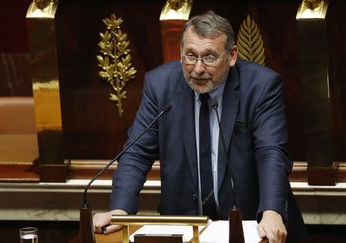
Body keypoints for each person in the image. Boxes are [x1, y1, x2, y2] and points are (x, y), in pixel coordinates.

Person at [93, 11, 305, 243]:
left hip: (251, 226)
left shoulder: (261, 86)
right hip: (183, 226)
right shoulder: (160, 84)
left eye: (210, 57)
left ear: (232, 55)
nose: (198, 68)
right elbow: (137, 152)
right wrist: (121, 210)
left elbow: (271, 152)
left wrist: (272, 211)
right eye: (190, 56)